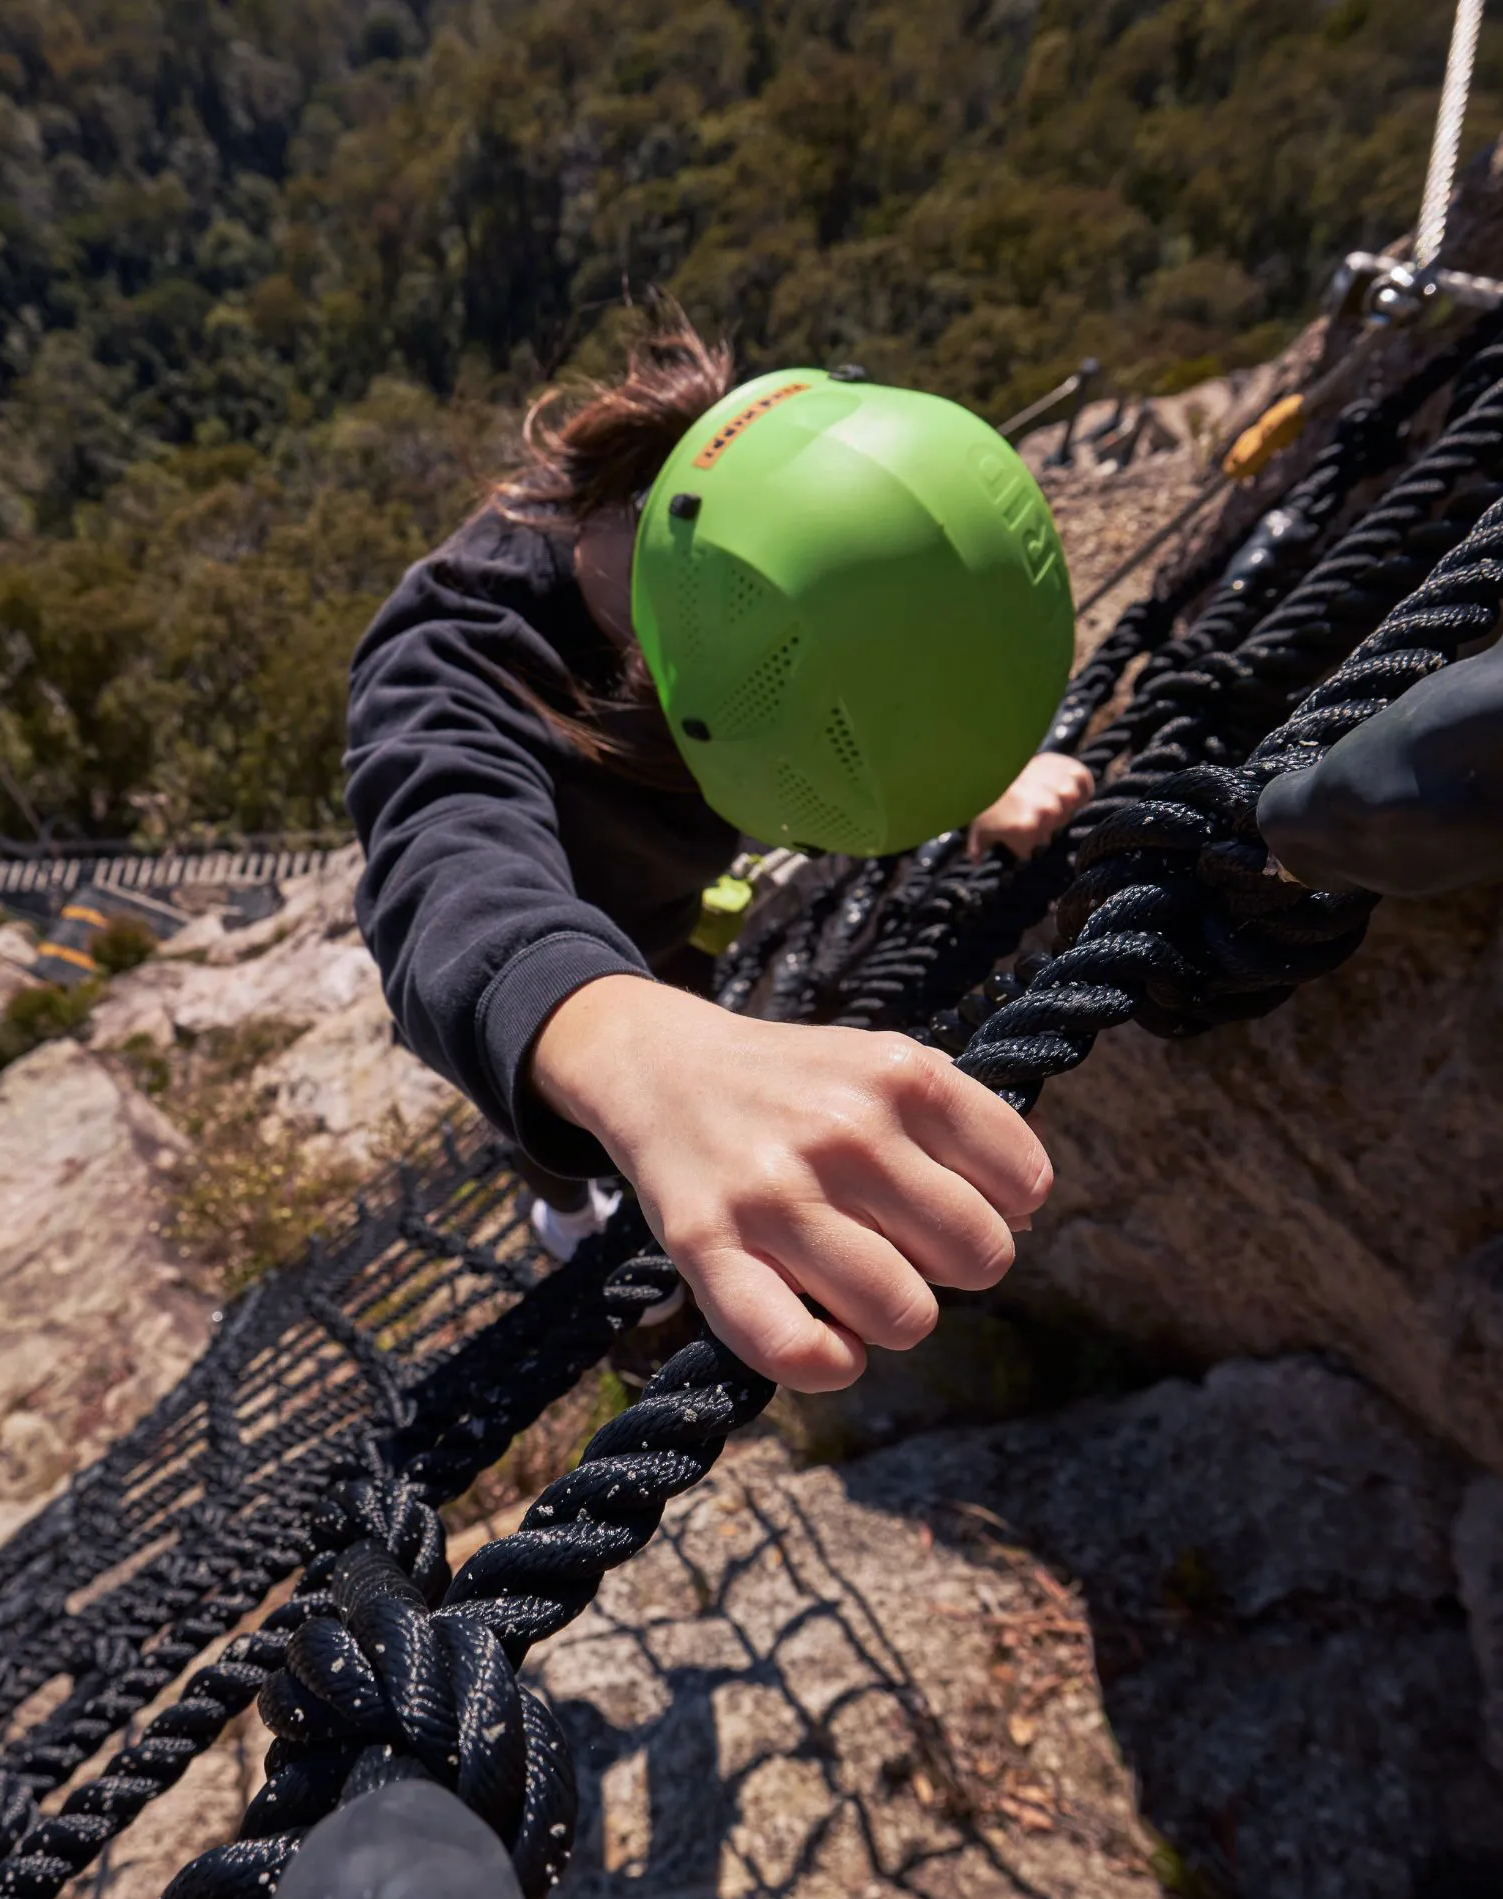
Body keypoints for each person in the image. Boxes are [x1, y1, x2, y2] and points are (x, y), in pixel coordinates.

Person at [344, 310, 1092, 1394]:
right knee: (564, 1118)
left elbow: (874, 667)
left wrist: (971, 781)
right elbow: (443, 869)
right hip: (558, 978)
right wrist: (619, 1039)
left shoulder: (789, 489)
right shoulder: (453, 656)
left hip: (670, 932)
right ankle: (566, 1222)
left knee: (682, 1038)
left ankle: (631, 1179)